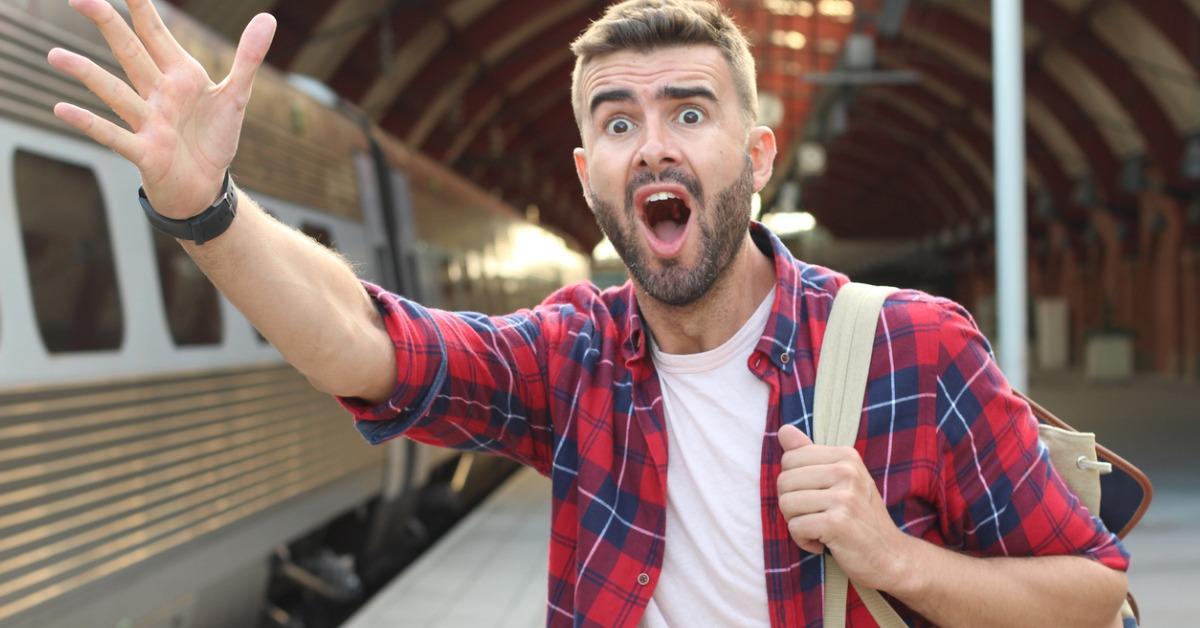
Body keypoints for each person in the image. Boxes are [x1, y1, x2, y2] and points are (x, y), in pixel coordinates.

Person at [48, 0, 1130, 625]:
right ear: (587, 174)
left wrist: (897, 561)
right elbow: (373, 342)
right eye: (619, 122)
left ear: (754, 156)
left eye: (689, 111)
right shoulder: (573, 356)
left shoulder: (916, 346)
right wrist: (205, 210)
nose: (653, 142)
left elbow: (1092, 593)